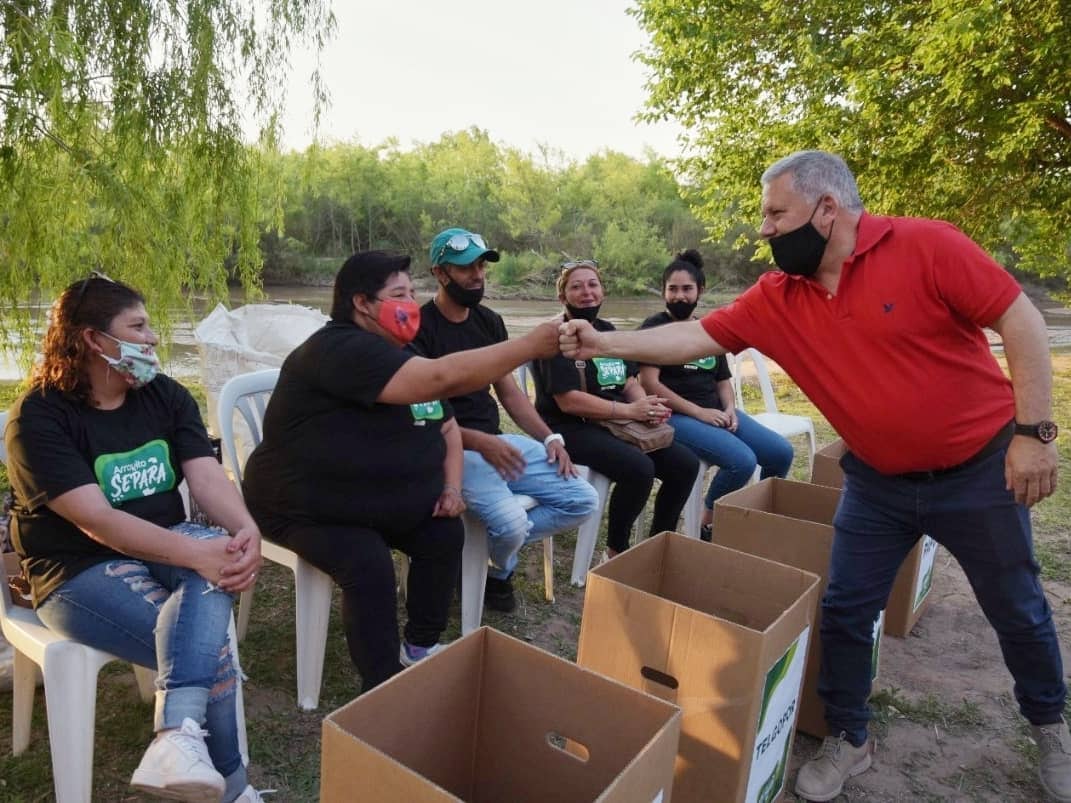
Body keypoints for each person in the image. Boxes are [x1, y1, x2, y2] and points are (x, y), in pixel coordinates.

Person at [559, 150, 1067, 803]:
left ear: (827, 209)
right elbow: (693, 340)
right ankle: (849, 735)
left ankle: (1049, 726)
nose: (764, 228)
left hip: (976, 471)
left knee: (1018, 609)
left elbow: (1020, 320)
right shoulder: (777, 296)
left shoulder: (927, 246)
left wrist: (1034, 436)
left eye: (775, 212)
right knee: (846, 609)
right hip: (876, 483)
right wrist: (603, 342)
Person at [241, 251, 560, 691]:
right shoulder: (340, 348)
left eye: (412, 292)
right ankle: (383, 687)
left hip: (370, 500)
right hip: (303, 506)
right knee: (368, 561)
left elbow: (447, 426)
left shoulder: (399, 351)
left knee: (443, 534)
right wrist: (528, 346)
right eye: (398, 294)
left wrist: (451, 486)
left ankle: (417, 647)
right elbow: (439, 380)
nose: (411, 303)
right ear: (362, 303)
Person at [4, 274, 265, 803]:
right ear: (92, 340)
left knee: (216, 566)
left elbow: (207, 476)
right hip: (74, 570)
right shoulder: (38, 417)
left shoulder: (164, 395)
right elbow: (94, 519)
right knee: (210, 651)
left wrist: (244, 530)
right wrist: (199, 553)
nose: (151, 339)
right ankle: (233, 791)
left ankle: (176, 739)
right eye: (138, 327)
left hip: (167, 541)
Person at [409, 228, 599, 612]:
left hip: (494, 441)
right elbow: (418, 414)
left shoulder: (489, 322)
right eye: (465, 268)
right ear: (440, 273)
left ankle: (489, 563)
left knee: (582, 499)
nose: (477, 274)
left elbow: (509, 392)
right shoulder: (418, 327)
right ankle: (498, 570)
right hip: (448, 447)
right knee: (511, 524)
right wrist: (481, 442)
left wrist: (550, 439)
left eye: (481, 265)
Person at [533, 260, 699, 558]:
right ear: (562, 297)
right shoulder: (555, 336)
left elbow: (629, 380)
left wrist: (643, 404)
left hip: (614, 421)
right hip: (569, 426)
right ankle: (616, 551)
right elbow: (568, 401)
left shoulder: (606, 332)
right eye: (577, 286)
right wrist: (629, 412)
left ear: (603, 291)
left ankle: (660, 544)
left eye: (593, 284)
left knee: (684, 465)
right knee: (639, 468)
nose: (587, 292)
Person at [638, 249, 794, 540]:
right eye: (673, 289)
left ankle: (756, 516)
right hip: (675, 416)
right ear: (663, 292)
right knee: (742, 461)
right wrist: (700, 413)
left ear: (700, 290)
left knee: (780, 453)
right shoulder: (654, 328)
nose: (680, 296)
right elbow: (650, 384)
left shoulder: (708, 329)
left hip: (715, 412)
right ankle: (708, 521)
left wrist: (730, 408)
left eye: (687, 289)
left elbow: (723, 380)